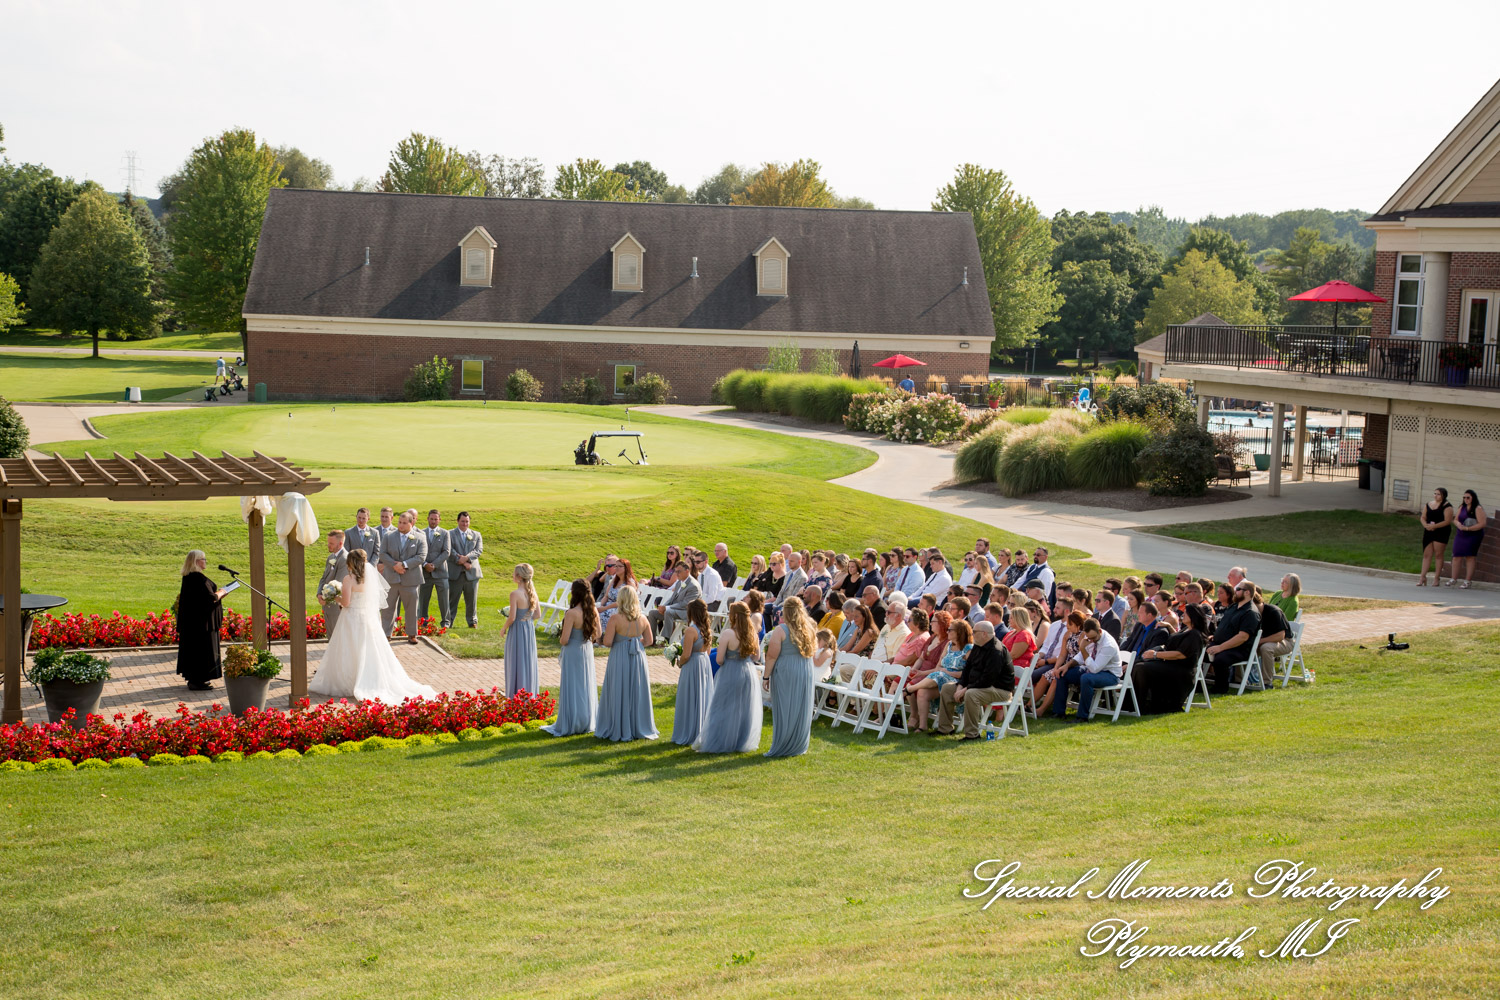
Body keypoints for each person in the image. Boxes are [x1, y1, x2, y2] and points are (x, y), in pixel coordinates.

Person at [310, 548, 437, 703]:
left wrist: (335, 596)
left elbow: (346, 603)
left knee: (349, 648)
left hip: (351, 618)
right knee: (369, 648)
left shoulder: (348, 579)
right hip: (367, 618)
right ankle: (371, 678)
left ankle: (348, 681)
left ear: (350, 562)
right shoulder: (369, 578)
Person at [696, 602, 763, 753]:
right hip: (748, 672)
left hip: (731, 671)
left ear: (735, 616)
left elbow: (719, 659)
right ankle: (740, 741)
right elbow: (756, 656)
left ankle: (719, 741)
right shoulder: (753, 634)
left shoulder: (728, 634)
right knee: (744, 708)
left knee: (723, 706)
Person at [596, 586, 658, 742]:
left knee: (619, 688)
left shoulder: (615, 619)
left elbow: (608, 642)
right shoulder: (643, 618)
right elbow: (650, 641)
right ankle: (638, 725)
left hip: (619, 655)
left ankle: (618, 725)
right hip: (637, 655)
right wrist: (635, 643)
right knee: (637, 689)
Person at [934, 621, 1013, 739]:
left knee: (971, 694)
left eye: (974, 632)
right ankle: (945, 729)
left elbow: (987, 679)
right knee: (947, 688)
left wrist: (966, 689)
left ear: (984, 634)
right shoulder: (978, 645)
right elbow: (967, 668)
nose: (972, 634)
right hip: (980, 686)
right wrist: (960, 685)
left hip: (999, 690)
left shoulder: (996, 651)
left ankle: (972, 734)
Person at [543, 580, 600, 736]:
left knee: (573, 685)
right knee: (586, 683)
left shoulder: (572, 613)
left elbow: (564, 640)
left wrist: (559, 634)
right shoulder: (593, 610)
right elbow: (599, 635)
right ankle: (587, 719)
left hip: (573, 651)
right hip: (587, 650)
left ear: (574, 593)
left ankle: (573, 720)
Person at [763, 597, 819, 758]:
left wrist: (766, 677)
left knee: (784, 706)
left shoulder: (781, 630)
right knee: (801, 706)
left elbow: (772, 656)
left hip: (787, 669)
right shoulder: (810, 627)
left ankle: (783, 745)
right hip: (805, 669)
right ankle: (798, 744)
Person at [1135, 604, 1208, 713]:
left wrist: (1155, 654)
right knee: (1139, 666)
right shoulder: (1186, 630)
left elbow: (1181, 654)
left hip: (1181, 670)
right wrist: (1169, 626)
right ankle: (1135, 703)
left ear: (1193, 616)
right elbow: (1178, 640)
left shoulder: (1195, 634)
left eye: (1186, 613)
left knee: (1142, 668)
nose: (1183, 615)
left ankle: (1141, 704)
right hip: (1171, 665)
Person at [175, 550, 228, 691]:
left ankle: (196, 679)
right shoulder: (198, 579)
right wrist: (222, 592)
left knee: (195, 650)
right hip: (202, 624)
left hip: (195, 623)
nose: (205, 561)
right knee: (202, 650)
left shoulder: (189, 577)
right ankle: (198, 680)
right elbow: (210, 599)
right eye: (203, 559)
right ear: (197, 561)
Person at [1051, 618, 1121, 723]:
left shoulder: (1108, 645)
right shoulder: (1090, 637)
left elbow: (1094, 668)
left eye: (1093, 638)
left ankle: (1082, 717)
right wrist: (1067, 665)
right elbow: (1080, 657)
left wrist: (1082, 649)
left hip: (1110, 674)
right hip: (1093, 669)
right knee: (1063, 674)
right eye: (1089, 638)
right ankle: (1058, 712)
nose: (1091, 641)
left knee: (1086, 678)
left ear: (1100, 631)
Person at [908, 617, 971, 731]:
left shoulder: (968, 649)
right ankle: (923, 726)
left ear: (959, 632)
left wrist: (947, 672)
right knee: (923, 691)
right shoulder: (949, 645)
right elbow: (938, 668)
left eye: (950, 630)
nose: (947, 632)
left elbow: (969, 673)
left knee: (940, 675)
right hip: (940, 678)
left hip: (956, 682)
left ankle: (911, 688)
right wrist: (922, 672)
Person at [378, 510, 426, 643]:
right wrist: (395, 566)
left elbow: (421, 556)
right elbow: (382, 554)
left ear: (411, 523)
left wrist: (404, 564)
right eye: (399, 522)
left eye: (404, 523)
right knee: (388, 608)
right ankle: (386, 634)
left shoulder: (420, 537)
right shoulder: (389, 536)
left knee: (411, 608)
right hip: (391, 578)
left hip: (410, 579)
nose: (401, 525)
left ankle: (412, 634)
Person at [671, 599, 715, 746]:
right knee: (702, 695)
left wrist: (679, 662)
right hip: (704, 663)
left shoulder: (691, 630)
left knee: (689, 696)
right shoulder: (707, 629)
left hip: (692, 665)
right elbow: (708, 651)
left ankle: (688, 731)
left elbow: (687, 654)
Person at [1208, 579, 1261, 694]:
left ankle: (1220, 688)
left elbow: (1242, 637)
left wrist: (1220, 647)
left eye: (1238, 589)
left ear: (1247, 592)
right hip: (1220, 643)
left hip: (1239, 649)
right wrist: (1215, 636)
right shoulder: (1233, 607)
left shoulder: (1250, 612)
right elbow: (1225, 626)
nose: (1235, 591)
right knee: (1198, 651)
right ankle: (1198, 683)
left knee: (1220, 659)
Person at [500, 564, 540, 697]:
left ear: (518, 577)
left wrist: (503, 628)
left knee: (515, 662)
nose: (512, 575)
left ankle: (515, 696)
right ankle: (529, 693)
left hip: (517, 631)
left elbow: (512, 617)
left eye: (513, 573)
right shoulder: (533, 592)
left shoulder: (515, 594)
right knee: (527, 661)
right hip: (528, 630)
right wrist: (527, 620)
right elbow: (537, 615)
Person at [648, 561, 700, 641]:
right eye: (675, 571)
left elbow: (686, 604)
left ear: (687, 571)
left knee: (668, 612)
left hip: (687, 612)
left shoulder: (693, 585)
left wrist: (667, 608)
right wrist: (663, 606)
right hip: (675, 610)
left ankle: (666, 640)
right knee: (652, 613)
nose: (677, 574)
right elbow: (672, 598)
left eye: (679, 571)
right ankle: (651, 640)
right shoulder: (679, 582)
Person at [448, 511, 483, 628]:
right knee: (452, 600)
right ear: (458, 521)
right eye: (462, 521)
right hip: (455, 572)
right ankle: (449, 621)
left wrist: (467, 559)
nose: (465, 524)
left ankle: (472, 621)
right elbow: (449, 550)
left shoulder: (476, 534)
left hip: (471, 572)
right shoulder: (449, 534)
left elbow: (478, 550)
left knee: (472, 600)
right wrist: (461, 560)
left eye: (467, 521)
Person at [1252, 587, 1292, 687]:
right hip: (1263, 641)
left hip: (1285, 642)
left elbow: (1280, 636)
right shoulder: (1252, 614)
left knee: (1266, 648)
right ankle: (1239, 680)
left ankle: (1266, 682)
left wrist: (1260, 641)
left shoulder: (1273, 611)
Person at [419, 509, 452, 629]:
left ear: (439, 520)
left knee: (444, 600)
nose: (433, 521)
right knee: (423, 600)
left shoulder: (445, 533)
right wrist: (425, 564)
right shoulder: (421, 533)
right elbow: (418, 552)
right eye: (431, 519)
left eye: (435, 519)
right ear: (427, 518)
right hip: (425, 572)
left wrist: (434, 565)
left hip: (440, 572)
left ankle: (446, 622)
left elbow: (446, 551)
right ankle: (422, 622)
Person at [1448, 490, 1487, 589]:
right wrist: (1458, 524)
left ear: (1473, 497)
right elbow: (1455, 519)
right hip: (1461, 534)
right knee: (1456, 556)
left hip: (1473, 535)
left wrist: (1468, 528)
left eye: (1468, 497)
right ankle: (1453, 578)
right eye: (1464, 497)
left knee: (1470, 557)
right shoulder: (1462, 507)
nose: (1466, 499)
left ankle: (1468, 581)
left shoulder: (1478, 508)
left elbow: (1482, 524)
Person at [317, 530, 349, 636]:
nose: (328, 545)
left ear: (340, 543)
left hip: (336, 604)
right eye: (328, 542)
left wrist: (325, 597)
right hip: (327, 603)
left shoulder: (344, 559)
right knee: (330, 635)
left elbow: (339, 584)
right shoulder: (330, 557)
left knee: (337, 636)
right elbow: (323, 578)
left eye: (331, 543)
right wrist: (319, 594)